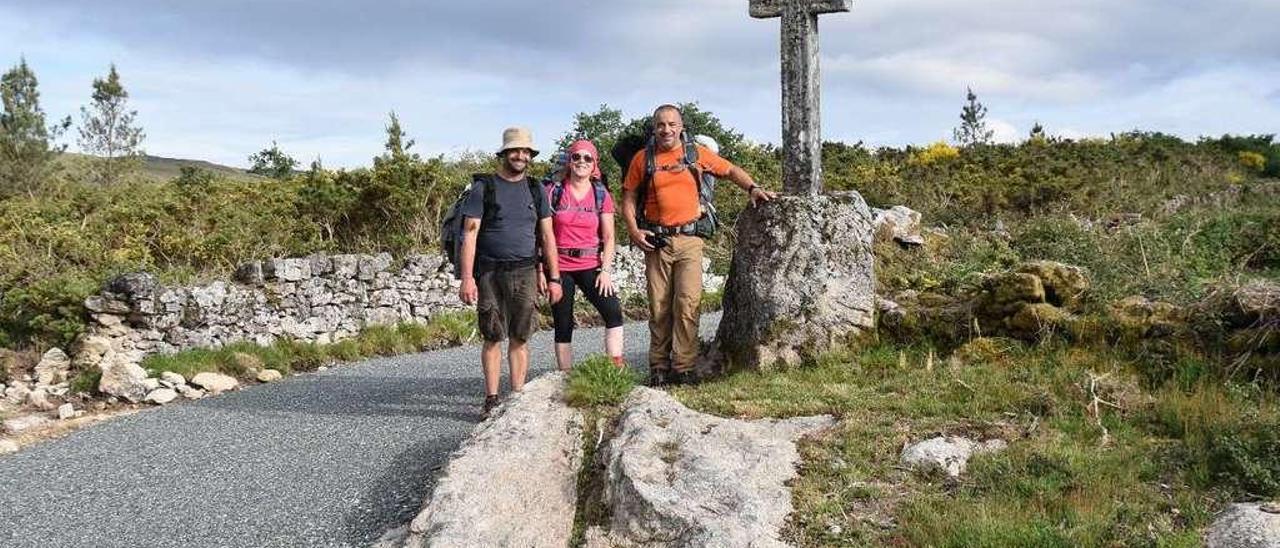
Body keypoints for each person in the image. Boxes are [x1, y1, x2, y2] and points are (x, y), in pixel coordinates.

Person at [621, 105, 776, 386]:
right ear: (654, 128)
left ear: (681, 127)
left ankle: (684, 367)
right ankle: (658, 366)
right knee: (659, 307)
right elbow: (629, 196)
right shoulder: (642, 159)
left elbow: (729, 170)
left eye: (671, 124)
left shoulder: (696, 154)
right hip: (656, 242)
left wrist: (752, 188)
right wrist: (633, 230)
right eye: (660, 125)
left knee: (688, 303)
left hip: (690, 241)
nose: (666, 130)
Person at [458, 126, 563, 417]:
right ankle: (491, 399)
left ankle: (516, 398)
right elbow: (470, 233)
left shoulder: (535, 188)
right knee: (492, 336)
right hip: (489, 272)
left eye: (525, 151)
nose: (520, 156)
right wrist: (467, 278)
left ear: (530, 156)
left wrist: (553, 277)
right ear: (504, 153)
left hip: (526, 271)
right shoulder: (484, 188)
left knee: (520, 336)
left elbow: (547, 235)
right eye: (515, 150)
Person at [540, 139, 626, 372]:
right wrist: (541, 270)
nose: (581, 161)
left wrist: (606, 271)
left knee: (613, 312)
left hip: (590, 263)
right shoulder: (553, 192)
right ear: (569, 161)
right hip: (559, 266)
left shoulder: (601, 194)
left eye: (587, 158)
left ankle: (614, 371)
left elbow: (609, 238)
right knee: (563, 322)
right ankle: (565, 378)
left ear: (594, 163)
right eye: (576, 157)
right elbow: (541, 235)